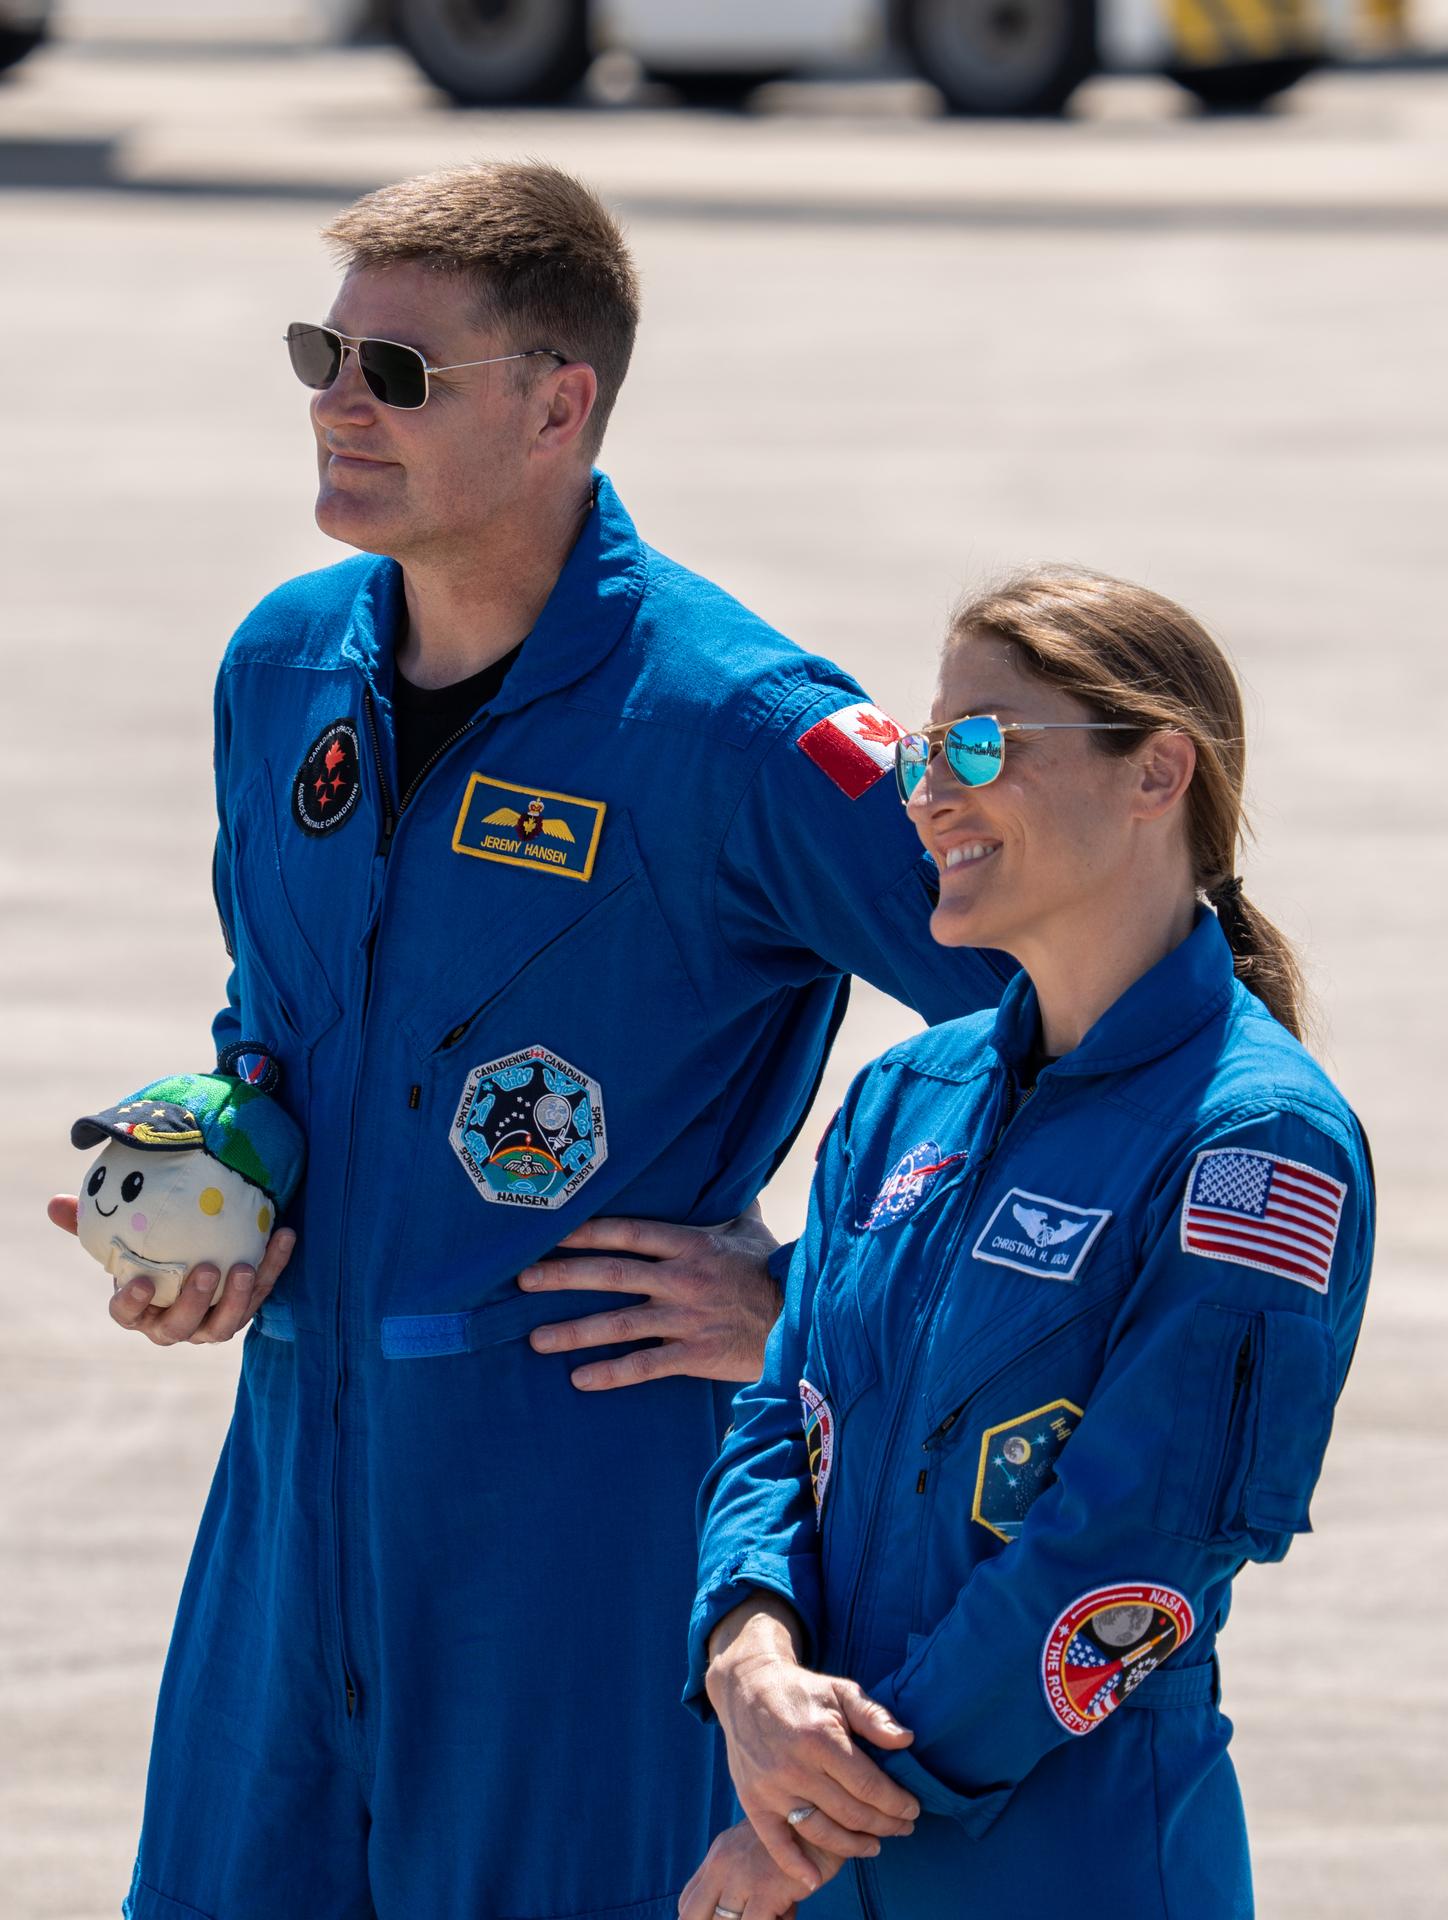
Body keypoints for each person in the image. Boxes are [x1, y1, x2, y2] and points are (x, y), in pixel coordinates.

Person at [48, 162, 1013, 1920]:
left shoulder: (737, 731)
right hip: (293, 1505)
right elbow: (278, 1034)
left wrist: (815, 1310)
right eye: (321, 357)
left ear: (561, 404)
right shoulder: (281, 673)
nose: (339, 405)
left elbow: (1107, 1032)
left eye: (398, 374)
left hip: (575, 1533)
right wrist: (226, 1197)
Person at [681, 569, 1374, 1920]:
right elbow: (779, 1414)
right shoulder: (900, 1098)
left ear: (1157, 771)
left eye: (983, 745)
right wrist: (747, 1654)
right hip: (814, 1846)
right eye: (925, 750)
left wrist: (829, 1808)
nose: (929, 793)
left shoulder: (1258, 1143)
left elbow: (1140, 1545)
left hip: (1067, 1865)